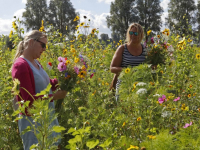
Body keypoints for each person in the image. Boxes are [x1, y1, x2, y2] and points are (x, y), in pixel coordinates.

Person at [11, 30, 67, 150]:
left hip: (46, 118)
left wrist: (67, 77)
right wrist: (55, 96)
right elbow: (28, 102)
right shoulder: (21, 65)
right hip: (33, 124)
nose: (44, 49)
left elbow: (46, 85)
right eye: (43, 45)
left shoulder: (35, 62)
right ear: (31, 42)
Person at [110, 23, 146, 102]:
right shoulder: (122, 48)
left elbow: (150, 66)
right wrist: (128, 71)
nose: (133, 35)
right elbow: (112, 68)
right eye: (131, 33)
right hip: (124, 85)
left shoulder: (145, 50)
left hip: (141, 86)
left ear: (141, 35)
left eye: (136, 33)